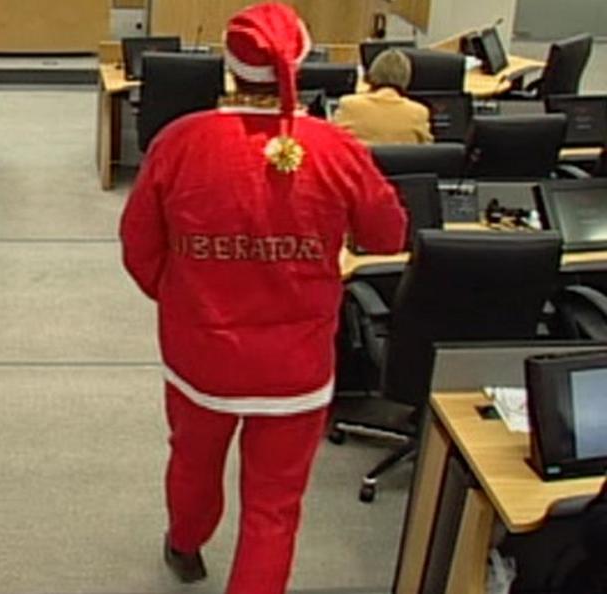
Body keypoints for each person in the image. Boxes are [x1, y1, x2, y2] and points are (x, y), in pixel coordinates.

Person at [119, 3, 408, 593]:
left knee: (193, 462)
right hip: (295, 365)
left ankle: (186, 545)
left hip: (202, 351)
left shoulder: (181, 142)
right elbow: (387, 236)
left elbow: (138, 249)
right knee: (275, 508)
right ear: (298, 65)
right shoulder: (336, 148)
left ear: (230, 70)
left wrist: (183, 297)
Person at [333, 49, 434, 144]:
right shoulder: (419, 113)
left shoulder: (349, 105)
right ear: (406, 78)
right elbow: (428, 153)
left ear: (372, 74)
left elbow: (333, 143)